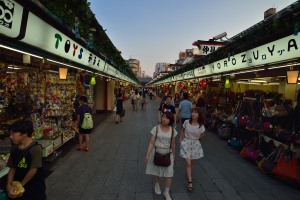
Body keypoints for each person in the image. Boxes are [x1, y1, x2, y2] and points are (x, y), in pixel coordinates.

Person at [6, 120, 46, 200]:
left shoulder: (36, 149)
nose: (11, 136)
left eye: (13, 133)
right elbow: (12, 167)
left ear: (24, 134)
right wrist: (9, 185)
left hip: (34, 187)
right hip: (17, 185)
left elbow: (33, 170)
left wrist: (20, 186)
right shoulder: (14, 149)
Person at [145, 112, 178, 200]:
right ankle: (157, 185)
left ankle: (166, 192)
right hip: (157, 152)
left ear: (170, 120)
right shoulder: (156, 128)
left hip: (168, 153)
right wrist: (147, 155)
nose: (164, 119)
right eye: (163, 117)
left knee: (169, 174)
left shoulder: (172, 130)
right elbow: (151, 142)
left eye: (167, 118)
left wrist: (174, 155)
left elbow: (173, 143)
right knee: (157, 171)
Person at [179, 108, 205, 192]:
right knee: (188, 162)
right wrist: (181, 140)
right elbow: (182, 130)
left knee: (192, 162)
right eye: (193, 112)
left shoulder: (201, 126)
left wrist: (196, 140)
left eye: (196, 113)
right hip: (186, 143)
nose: (193, 114)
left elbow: (201, 135)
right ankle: (190, 181)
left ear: (199, 115)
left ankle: (189, 173)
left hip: (195, 144)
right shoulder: (186, 122)